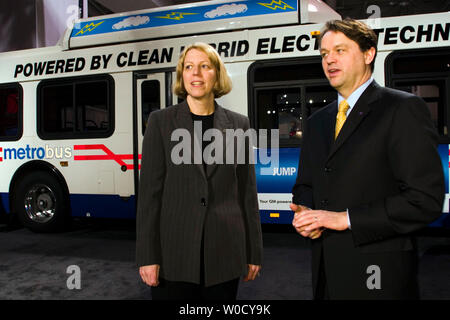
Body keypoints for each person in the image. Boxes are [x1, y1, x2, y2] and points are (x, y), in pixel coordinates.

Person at [291, 18, 444, 300]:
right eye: (324, 54)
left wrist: (345, 219)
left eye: (340, 50)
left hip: (380, 272)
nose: (330, 60)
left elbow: (424, 200)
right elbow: (306, 184)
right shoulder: (317, 121)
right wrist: (306, 214)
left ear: (368, 54)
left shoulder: (402, 109)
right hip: (326, 272)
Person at [136, 42, 263, 300]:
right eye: (189, 67)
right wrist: (148, 256)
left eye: (204, 66)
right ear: (182, 75)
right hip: (174, 256)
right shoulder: (160, 122)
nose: (196, 73)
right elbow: (150, 196)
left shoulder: (239, 124)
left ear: (216, 74)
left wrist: (253, 252)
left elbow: (247, 195)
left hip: (225, 254)